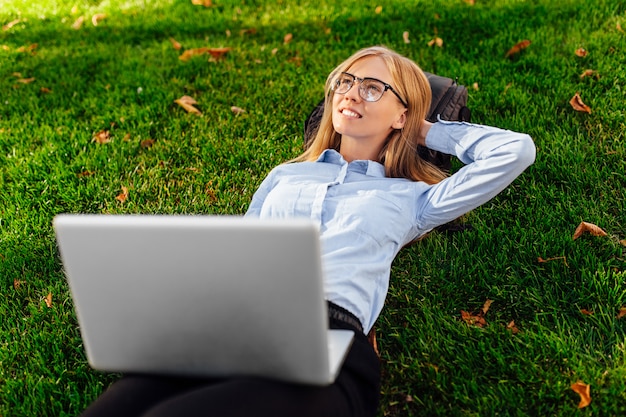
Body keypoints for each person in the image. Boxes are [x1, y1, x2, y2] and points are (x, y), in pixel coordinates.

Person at [79, 45, 535, 417]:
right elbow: (242, 251)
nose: (352, 93)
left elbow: (514, 152)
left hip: (328, 345)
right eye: (346, 82)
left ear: (403, 114)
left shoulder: (412, 198)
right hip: (239, 326)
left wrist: (427, 131)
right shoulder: (287, 175)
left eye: (373, 88)